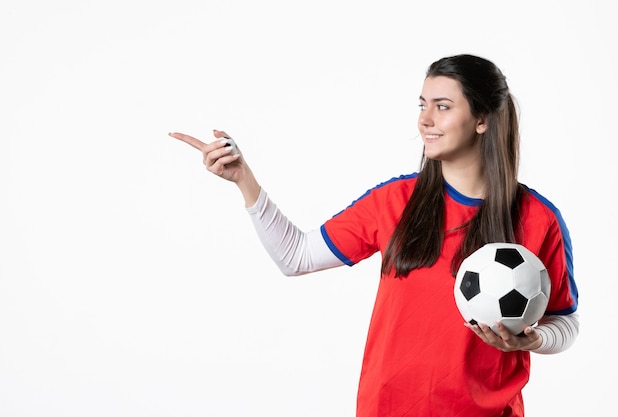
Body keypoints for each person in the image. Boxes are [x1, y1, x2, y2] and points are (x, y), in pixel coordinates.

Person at [169, 54, 579, 417]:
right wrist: (244, 179)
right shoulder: (396, 200)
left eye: (442, 106)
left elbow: (565, 321)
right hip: (386, 409)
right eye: (422, 105)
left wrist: (532, 340)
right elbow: (295, 256)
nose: (425, 120)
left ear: (482, 119)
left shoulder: (538, 219)